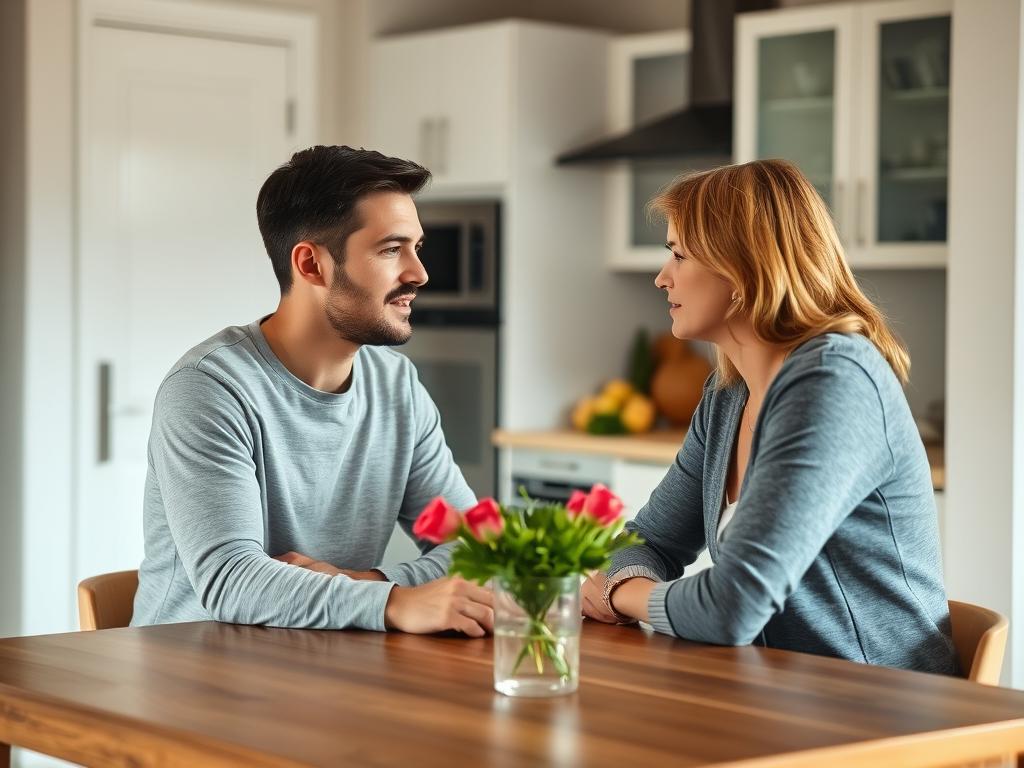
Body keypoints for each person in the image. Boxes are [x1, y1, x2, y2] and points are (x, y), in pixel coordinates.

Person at [582, 159, 958, 674]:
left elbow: (732, 608)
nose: (661, 277)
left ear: (741, 268)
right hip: (781, 701)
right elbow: (647, 542)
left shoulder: (836, 379)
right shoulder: (727, 396)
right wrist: (634, 577)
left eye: (679, 254)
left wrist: (625, 595)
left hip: (885, 720)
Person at [131, 145, 493, 637]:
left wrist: (372, 582)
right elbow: (230, 580)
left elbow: (475, 546)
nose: (419, 273)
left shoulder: (396, 386)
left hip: (327, 667)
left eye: (417, 247)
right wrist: (392, 603)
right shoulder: (209, 388)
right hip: (196, 677)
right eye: (391, 249)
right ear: (311, 264)